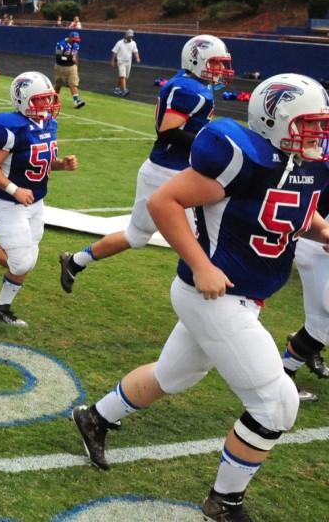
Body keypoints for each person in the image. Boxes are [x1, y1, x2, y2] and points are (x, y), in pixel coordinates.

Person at [72, 73, 329, 522]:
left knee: (176, 374)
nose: (318, 134)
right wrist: (203, 263)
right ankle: (223, 503)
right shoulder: (244, 157)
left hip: (242, 295)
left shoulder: (304, 166)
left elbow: (284, 214)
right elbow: (164, 203)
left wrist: (323, 231)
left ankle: (95, 416)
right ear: (275, 120)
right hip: (214, 293)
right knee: (276, 404)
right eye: (308, 124)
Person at [59, 35, 232, 294]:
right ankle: (205, 298)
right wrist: (211, 141)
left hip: (165, 169)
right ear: (196, 60)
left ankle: (75, 261)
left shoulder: (194, 85)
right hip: (170, 174)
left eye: (221, 64)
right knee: (197, 243)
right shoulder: (188, 89)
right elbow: (168, 132)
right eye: (215, 63)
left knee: (136, 236)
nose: (220, 70)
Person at [0, 72, 78, 326]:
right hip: (8, 202)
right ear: (23, 100)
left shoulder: (48, 124)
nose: (47, 105)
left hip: (36, 201)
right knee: (20, 262)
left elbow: (40, 162)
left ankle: (1, 307)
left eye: (49, 99)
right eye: (40, 100)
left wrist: (61, 165)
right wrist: (14, 190)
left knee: (28, 259)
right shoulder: (9, 125)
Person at [283, 190, 329, 402]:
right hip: (318, 247)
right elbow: (311, 208)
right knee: (321, 322)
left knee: (321, 324)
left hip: (319, 245)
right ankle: (284, 376)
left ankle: (304, 351)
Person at [54, 31, 85, 109]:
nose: (75, 41)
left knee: (73, 84)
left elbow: (76, 55)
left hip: (72, 67)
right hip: (60, 67)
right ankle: (55, 100)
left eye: (76, 40)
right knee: (58, 84)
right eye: (74, 39)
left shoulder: (76, 45)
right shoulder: (61, 44)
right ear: (70, 37)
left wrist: (76, 63)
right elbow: (58, 57)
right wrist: (70, 58)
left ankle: (77, 101)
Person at [110, 29, 141, 97]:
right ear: (126, 35)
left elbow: (135, 51)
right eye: (129, 36)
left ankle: (117, 88)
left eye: (131, 36)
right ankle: (124, 90)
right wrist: (113, 61)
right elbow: (115, 52)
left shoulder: (133, 43)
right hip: (120, 61)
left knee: (124, 77)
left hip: (128, 62)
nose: (130, 37)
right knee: (122, 76)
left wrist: (137, 58)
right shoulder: (119, 43)